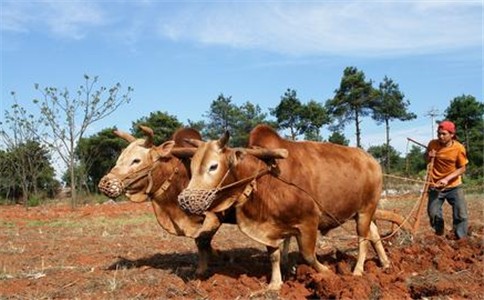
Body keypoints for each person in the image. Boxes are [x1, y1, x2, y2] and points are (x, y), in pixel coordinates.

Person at [425, 120, 468, 239]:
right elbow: (426, 160)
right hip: (435, 185)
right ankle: (439, 234)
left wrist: (447, 179)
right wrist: (429, 156)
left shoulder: (459, 148)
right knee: (433, 213)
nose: (440, 136)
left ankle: (461, 239)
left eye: (444, 134)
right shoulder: (432, 144)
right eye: (439, 133)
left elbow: (462, 168)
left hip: (454, 185)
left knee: (461, 214)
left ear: (452, 134)